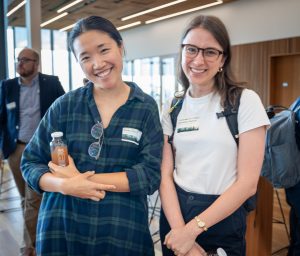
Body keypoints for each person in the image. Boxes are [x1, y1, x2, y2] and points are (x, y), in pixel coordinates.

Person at [21, 16, 163, 256]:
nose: (97, 63)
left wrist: (82, 181)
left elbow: (149, 174)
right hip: (63, 226)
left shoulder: (144, 107)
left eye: (104, 50)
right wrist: (65, 185)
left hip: (121, 228)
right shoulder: (65, 105)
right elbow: (30, 162)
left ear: (120, 46)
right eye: (85, 57)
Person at [159, 15, 270, 256]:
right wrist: (180, 231)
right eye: (191, 49)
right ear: (182, 52)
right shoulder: (172, 105)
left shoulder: (244, 101)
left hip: (222, 216)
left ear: (223, 59)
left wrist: (191, 232)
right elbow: (165, 175)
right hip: (175, 214)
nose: (198, 59)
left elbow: (248, 184)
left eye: (210, 52)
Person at [0, 47, 65, 256]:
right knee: (25, 199)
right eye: (18, 59)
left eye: (25, 60)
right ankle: (38, 239)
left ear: (36, 64)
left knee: (32, 199)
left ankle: (30, 247)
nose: (20, 63)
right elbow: (1, 119)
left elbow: (64, 110)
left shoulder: (51, 83)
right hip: (15, 149)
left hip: (40, 152)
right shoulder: (8, 86)